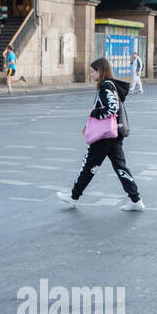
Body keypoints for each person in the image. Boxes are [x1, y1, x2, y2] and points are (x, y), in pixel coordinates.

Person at [56, 58, 143, 211]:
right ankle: (136, 200)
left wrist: (94, 113)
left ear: (101, 71)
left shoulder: (106, 86)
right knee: (120, 167)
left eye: (92, 71)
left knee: (88, 165)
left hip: (105, 137)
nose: (90, 75)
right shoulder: (111, 85)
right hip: (114, 134)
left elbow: (112, 108)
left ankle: (73, 196)